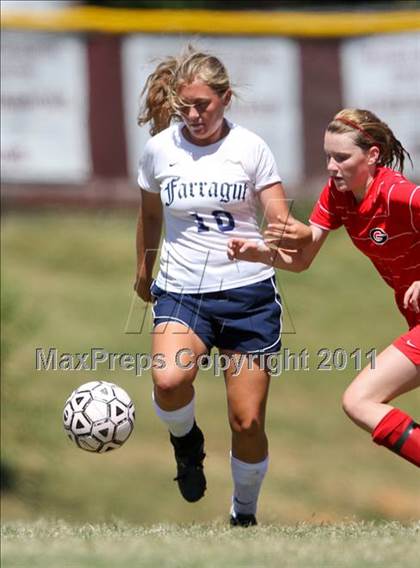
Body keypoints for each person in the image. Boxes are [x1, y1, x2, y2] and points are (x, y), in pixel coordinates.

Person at [134, 47, 311, 526]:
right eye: (185, 106)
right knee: (169, 380)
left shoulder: (250, 148)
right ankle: (186, 443)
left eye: (203, 105)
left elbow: (277, 218)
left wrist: (285, 232)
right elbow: (150, 215)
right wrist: (143, 271)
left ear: (225, 98)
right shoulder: (159, 150)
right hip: (182, 291)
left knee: (247, 422)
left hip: (248, 294)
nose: (193, 115)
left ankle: (244, 514)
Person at [228, 108, 420, 468]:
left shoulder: (397, 193)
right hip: (415, 322)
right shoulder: (339, 194)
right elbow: (302, 259)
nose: (332, 166)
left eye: (342, 157)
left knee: (360, 400)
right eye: (328, 156)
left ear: (373, 155)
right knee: (362, 401)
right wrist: (260, 254)